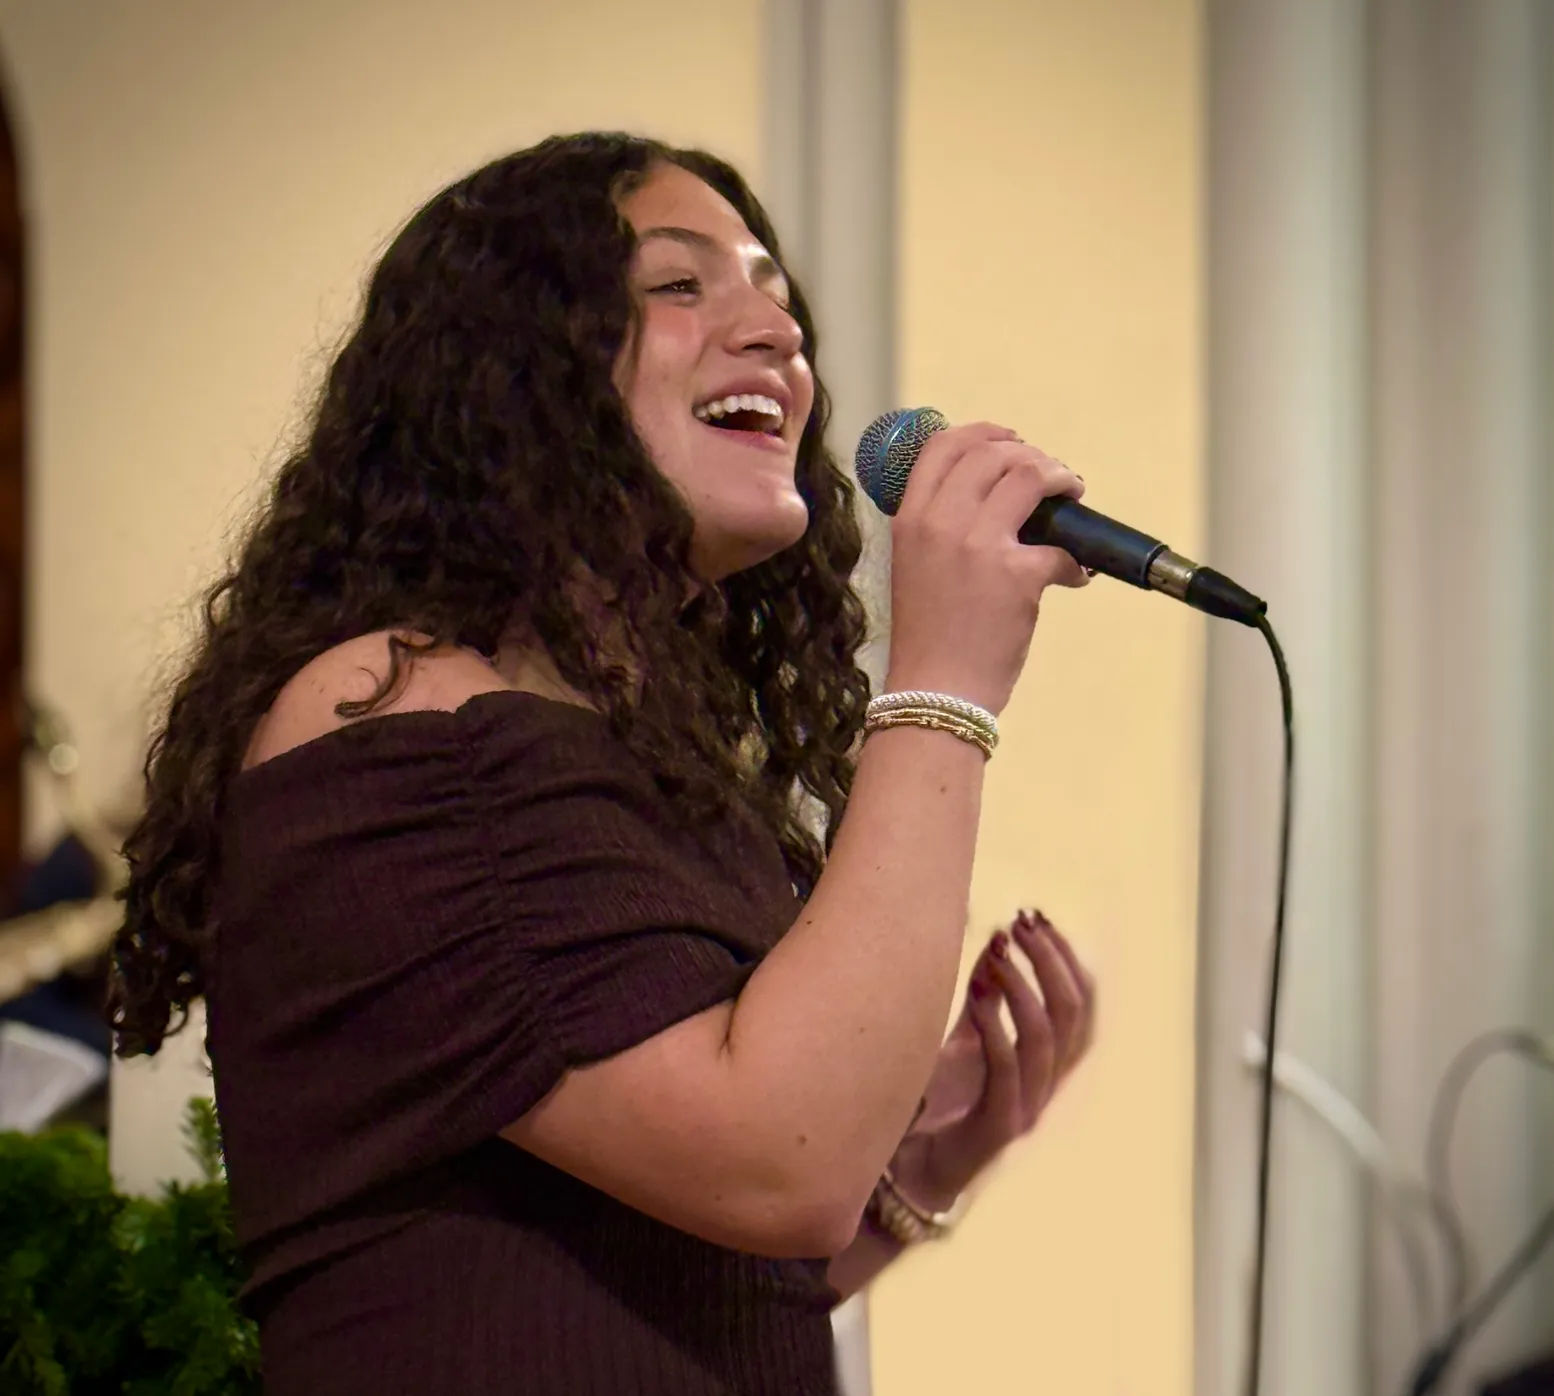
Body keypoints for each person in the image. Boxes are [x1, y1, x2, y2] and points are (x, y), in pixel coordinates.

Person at [109, 132, 1096, 1395]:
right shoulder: (403, 726)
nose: (775, 335)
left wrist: (920, 1165)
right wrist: (942, 686)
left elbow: (673, 1289)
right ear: (510, 375)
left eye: (777, 298)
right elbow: (776, 1165)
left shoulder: (646, 767)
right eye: (681, 286)